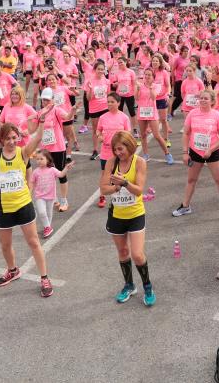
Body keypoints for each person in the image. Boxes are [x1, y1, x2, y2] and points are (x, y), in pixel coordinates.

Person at [0, 104, 55, 298]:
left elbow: (37, 138)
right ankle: (12, 270)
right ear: (1, 139)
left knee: (34, 242)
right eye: (8, 138)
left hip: (23, 205)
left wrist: (42, 119)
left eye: (14, 137)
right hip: (3, 208)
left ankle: (44, 277)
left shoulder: (23, 152)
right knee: (5, 245)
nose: (12, 141)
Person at [98, 130, 156, 306]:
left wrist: (124, 182)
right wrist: (115, 188)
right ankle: (129, 285)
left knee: (137, 254)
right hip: (117, 215)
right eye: (115, 150)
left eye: (121, 149)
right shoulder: (111, 163)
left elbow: (139, 190)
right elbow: (103, 189)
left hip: (135, 214)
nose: (118, 153)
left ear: (130, 146)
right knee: (123, 252)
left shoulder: (139, 162)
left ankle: (147, 286)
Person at [174, 89, 219, 217]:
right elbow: (187, 133)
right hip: (195, 151)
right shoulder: (192, 114)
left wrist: (210, 149)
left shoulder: (217, 115)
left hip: (213, 152)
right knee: (191, 179)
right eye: (201, 98)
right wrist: (185, 152)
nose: (203, 100)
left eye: (206, 98)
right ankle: (185, 206)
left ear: (212, 101)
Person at [30, 150, 75, 238]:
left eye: (41, 159)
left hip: (50, 196)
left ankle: (47, 227)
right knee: (42, 212)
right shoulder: (36, 172)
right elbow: (31, 182)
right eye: (37, 159)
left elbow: (61, 175)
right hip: (39, 196)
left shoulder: (52, 170)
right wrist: (29, 193)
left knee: (49, 213)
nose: (39, 161)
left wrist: (66, 168)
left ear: (48, 159)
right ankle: (47, 227)